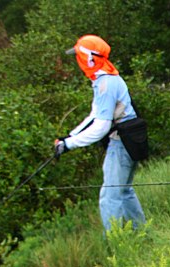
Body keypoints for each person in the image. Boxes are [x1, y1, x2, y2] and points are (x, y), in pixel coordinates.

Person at [54, 35, 146, 232]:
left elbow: (101, 127)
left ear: (89, 59)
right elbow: (95, 116)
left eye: (79, 56)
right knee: (124, 191)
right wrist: (68, 138)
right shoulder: (106, 78)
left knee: (110, 197)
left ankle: (115, 245)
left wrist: (70, 145)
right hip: (128, 142)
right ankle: (142, 233)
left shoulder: (106, 84)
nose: (77, 61)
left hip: (121, 144)